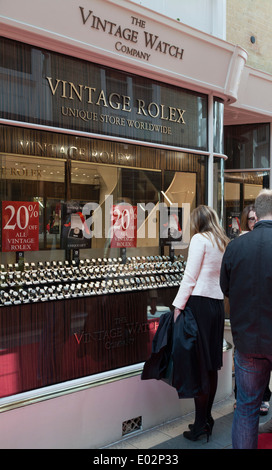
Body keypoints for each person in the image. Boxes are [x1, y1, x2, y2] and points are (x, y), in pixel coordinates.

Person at [220, 188, 272, 449]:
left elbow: (225, 288)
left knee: (247, 409)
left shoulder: (236, 246)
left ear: (256, 214)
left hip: (248, 340)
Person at [173, 205, 229, 442]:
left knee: (198, 366)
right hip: (216, 306)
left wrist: (178, 306)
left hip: (199, 305)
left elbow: (190, 277)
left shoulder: (199, 239)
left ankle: (199, 425)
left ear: (196, 222)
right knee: (211, 365)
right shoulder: (222, 241)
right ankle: (205, 419)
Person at [234, 204, 271, 416]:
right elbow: (227, 284)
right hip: (248, 325)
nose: (254, 222)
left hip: (263, 322)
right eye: (250, 219)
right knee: (247, 401)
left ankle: (263, 398)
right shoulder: (239, 245)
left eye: (256, 218)